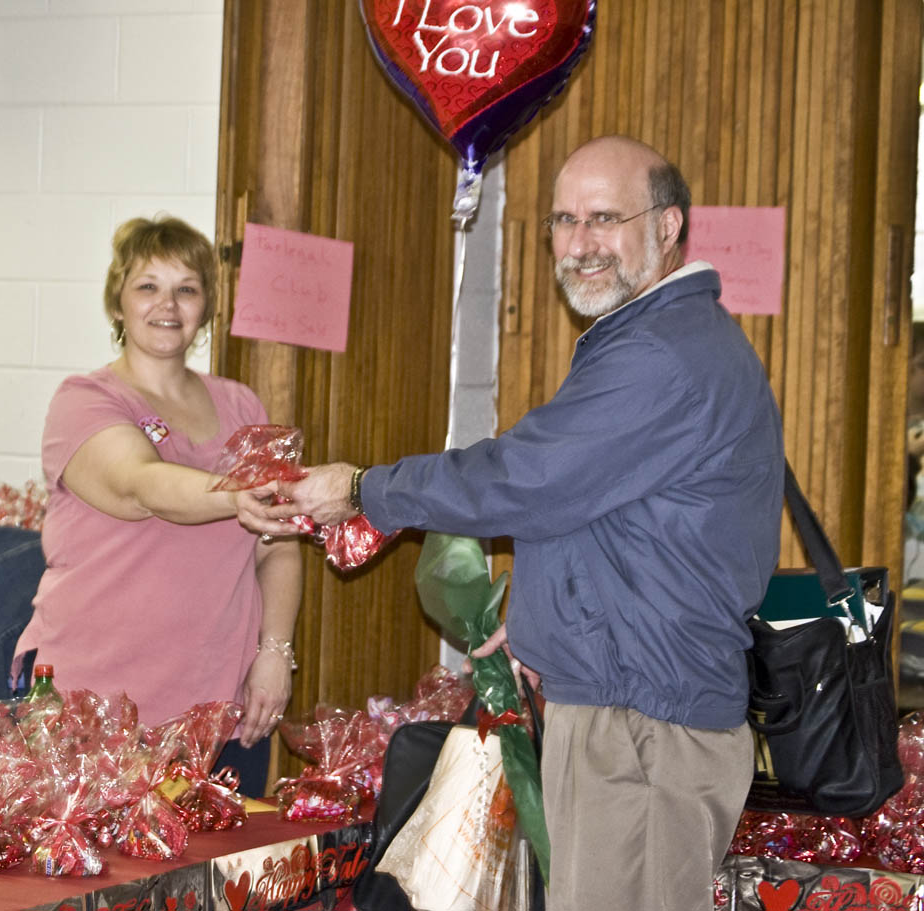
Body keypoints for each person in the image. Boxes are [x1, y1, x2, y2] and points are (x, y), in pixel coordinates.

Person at [237, 136, 785, 909]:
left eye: (604, 217)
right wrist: (536, 619)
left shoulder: (664, 353)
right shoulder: (650, 337)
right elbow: (597, 508)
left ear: (667, 228)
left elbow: (526, 478)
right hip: (626, 707)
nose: (581, 242)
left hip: (644, 729)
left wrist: (365, 490)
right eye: (564, 220)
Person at [13, 215, 301, 796]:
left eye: (186, 289)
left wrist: (275, 654)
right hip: (92, 705)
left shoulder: (243, 404)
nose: (167, 304)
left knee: (213, 884)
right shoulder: (85, 399)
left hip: (222, 708)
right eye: (147, 286)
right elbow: (140, 487)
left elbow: (279, 545)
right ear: (117, 303)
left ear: (205, 306)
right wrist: (239, 494)